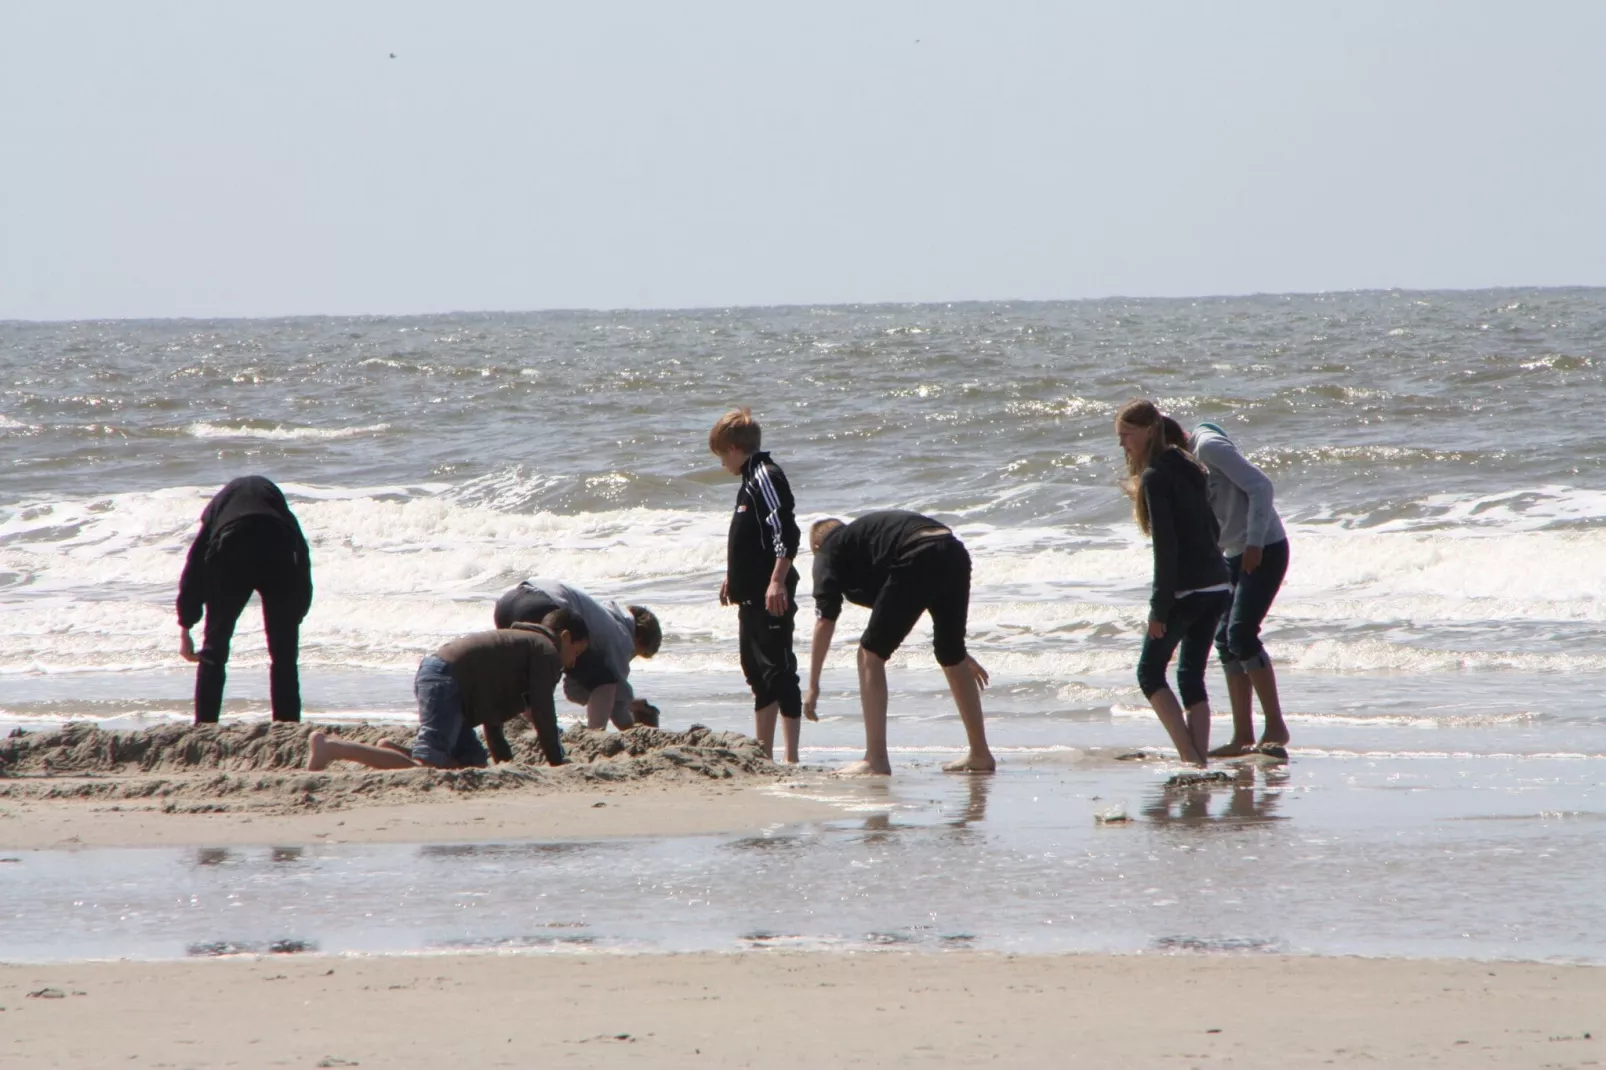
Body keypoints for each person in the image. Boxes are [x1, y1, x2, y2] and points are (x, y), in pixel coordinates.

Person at [804, 510, 995, 776]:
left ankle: (875, 759)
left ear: (815, 546)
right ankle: (980, 754)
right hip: (952, 549)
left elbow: (825, 620)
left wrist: (812, 685)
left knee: (869, 654)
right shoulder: (867, 543)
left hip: (917, 553)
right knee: (950, 654)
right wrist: (961, 653)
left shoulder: (827, 549)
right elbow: (917, 596)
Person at [306, 607, 588, 771]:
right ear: (564, 637)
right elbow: (543, 711)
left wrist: (503, 763)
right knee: (425, 769)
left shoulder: (522, 645)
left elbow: (493, 717)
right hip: (446, 681)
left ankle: (391, 751)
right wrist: (556, 761)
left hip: (444, 681)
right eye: (576, 652)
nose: (574, 663)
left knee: (473, 765)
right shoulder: (546, 651)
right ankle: (332, 747)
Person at [1116, 399, 1231, 767]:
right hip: (1217, 585)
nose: (1122, 444)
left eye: (1126, 435)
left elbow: (1167, 551)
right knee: (1190, 675)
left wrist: (1158, 609)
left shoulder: (1154, 477)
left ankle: (1189, 757)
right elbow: (1214, 528)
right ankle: (1198, 764)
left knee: (1149, 673)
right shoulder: (1189, 464)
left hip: (1188, 591)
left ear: (1149, 430)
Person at [1183, 420, 1292, 757]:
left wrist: (1255, 543)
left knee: (1242, 634)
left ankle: (1275, 727)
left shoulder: (1208, 447)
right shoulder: (1182, 467)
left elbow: (1261, 486)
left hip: (1265, 546)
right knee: (1225, 641)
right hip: (1233, 554)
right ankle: (1242, 736)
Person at [709, 407, 805, 763]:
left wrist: (777, 581)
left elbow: (785, 531)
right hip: (749, 596)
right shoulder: (748, 481)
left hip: (771, 595)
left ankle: (791, 757)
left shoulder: (765, 475)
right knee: (756, 672)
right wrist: (731, 578)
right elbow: (751, 539)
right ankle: (764, 754)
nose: (721, 463)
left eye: (721, 455)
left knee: (780, 670)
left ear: (734, 448)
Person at [176, 475, 313, 724]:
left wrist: (186, 625)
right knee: (284, 656)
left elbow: (194, 564)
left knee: (214, 650)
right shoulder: (279, 510)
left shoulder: (219, 509)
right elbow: (302, 556)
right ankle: (287, 724)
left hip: (231, 548)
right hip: (277, 546)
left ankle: (205, 724)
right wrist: (297, 610)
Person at [492, 579, 662, 729]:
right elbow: (609, 694)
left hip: (507, 604)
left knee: (531, 673)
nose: (629, 659)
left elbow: (578, 688)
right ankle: (594, 735)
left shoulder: (605, 616)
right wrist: (633, 725)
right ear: (639, 638)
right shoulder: (622, 638)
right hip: (543, 608)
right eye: (638, 654)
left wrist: (627, 703)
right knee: (605, 681)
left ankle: (534, 727)